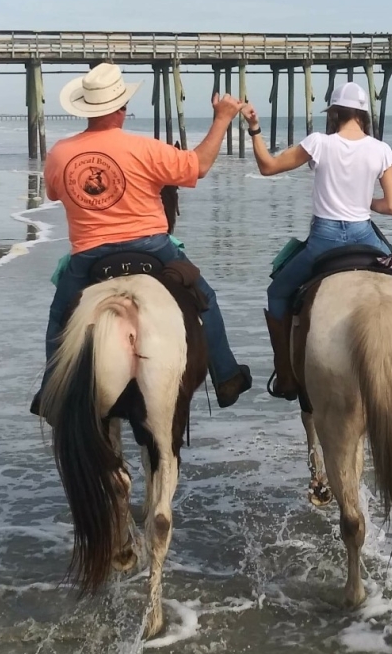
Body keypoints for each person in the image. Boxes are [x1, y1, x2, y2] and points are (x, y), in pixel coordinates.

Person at [31, 62, 251, 416]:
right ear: (121, 108)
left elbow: (56, 194)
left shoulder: (60, 153)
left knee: (59, 316)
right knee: (204, 298)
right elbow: (199, 165)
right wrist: (223, 119)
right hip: (152, 246)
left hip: (89, 254)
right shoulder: (145, 149)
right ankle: (225, 376)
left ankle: (50, 393)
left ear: (87, 109)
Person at [240, 81, 392, 400]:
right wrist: (365, 202)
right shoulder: (381, 150)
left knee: (277, 293)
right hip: (364, 236)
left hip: (324, 240)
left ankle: (285, 374)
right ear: (364, 115)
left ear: (335, 114)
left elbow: (267, 167)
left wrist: (255, 129)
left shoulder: (320, 143)